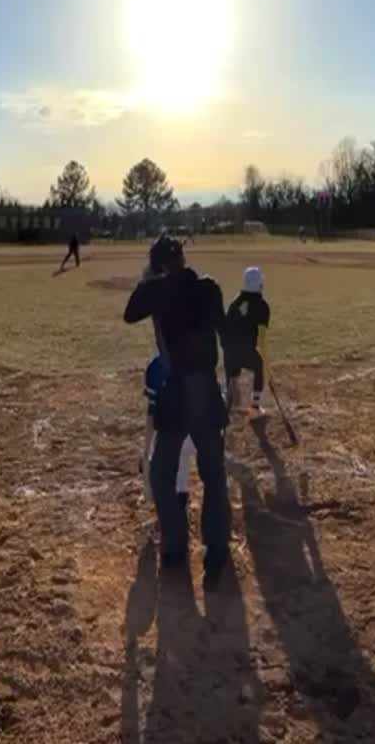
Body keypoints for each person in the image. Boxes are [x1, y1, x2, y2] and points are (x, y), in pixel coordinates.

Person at [123, 235, 232, 588]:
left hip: (176, 392)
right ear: (183, 260)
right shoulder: (209, 289)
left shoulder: (157, 290)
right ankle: (216, 550)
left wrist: (149, 280)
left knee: (161, 473)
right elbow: (226, 335)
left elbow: (130, 313)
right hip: (206, 389)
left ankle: (174, 546)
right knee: (214, 473)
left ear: (158, 266)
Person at [142, 354, 196, 512]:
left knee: (174, 469)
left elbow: (151, 413)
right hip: (205, 431)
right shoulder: (199, 356)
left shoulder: (157, 366)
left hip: (174, 435)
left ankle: (178, 505)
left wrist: (146, 451)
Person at [222, 266, 272, 415]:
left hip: (229, 351)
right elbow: (261, 340)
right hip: (247, 351)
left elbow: (226, 329)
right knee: (258, 366)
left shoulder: (235, 302)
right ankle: (255, 406)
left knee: (233, 377)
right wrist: (267, 365)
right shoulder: (262, 306)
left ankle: (229, 405)